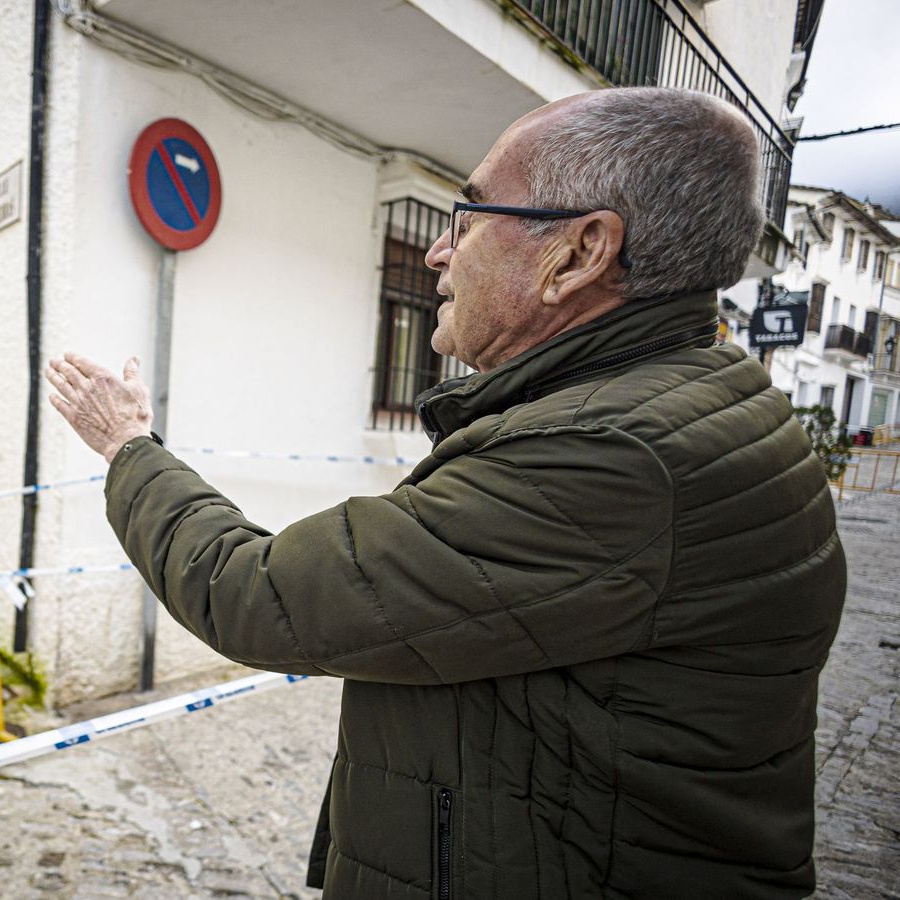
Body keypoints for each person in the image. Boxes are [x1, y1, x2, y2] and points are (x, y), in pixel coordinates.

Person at [44, 87, 845, 899]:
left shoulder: (607, 456)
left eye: (470, 217)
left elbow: (255, 595)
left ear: (579, 254)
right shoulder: (694, 396)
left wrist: (127, 446)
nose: (436, 253)